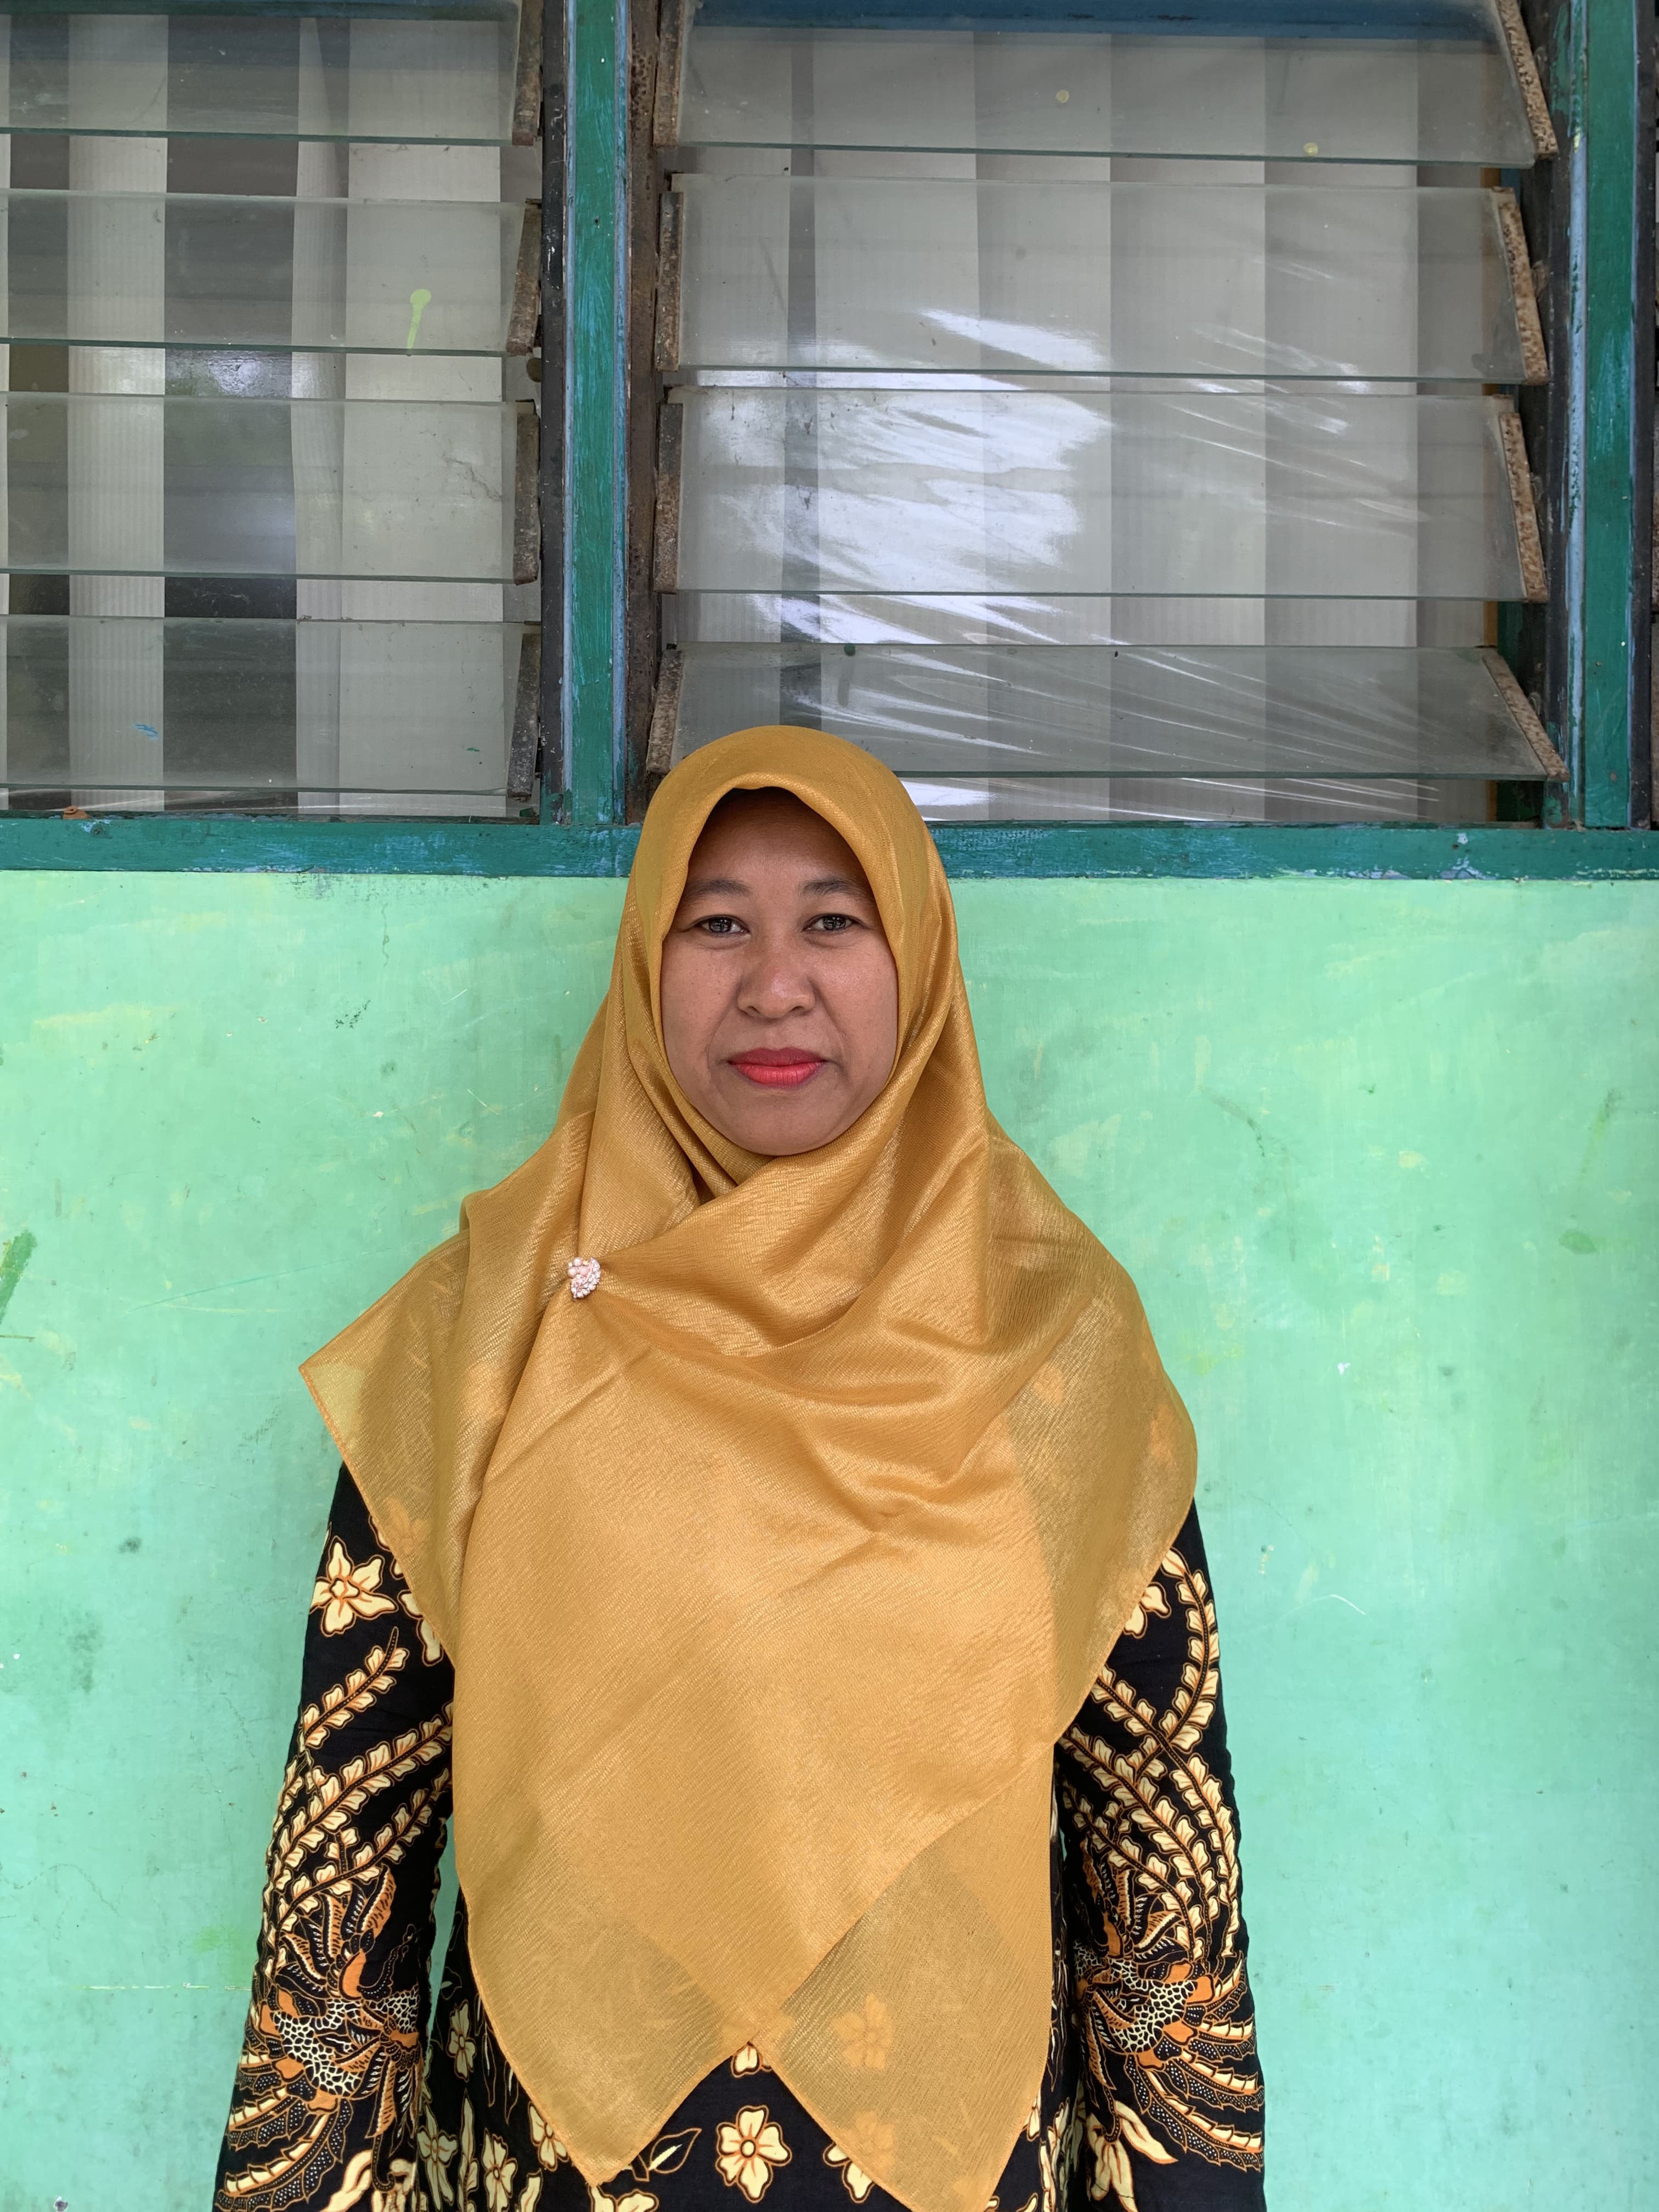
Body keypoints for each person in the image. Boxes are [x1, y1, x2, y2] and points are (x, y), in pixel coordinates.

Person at [213, 729, 1265, 2212]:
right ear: (646, 962)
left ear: (918, 962)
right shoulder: (487, 1331)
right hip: (554, 2168)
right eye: (717, 924)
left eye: (834, 920)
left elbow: (1161, 1869)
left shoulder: (1053, 1345)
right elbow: (349, 1855)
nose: (775, 984)